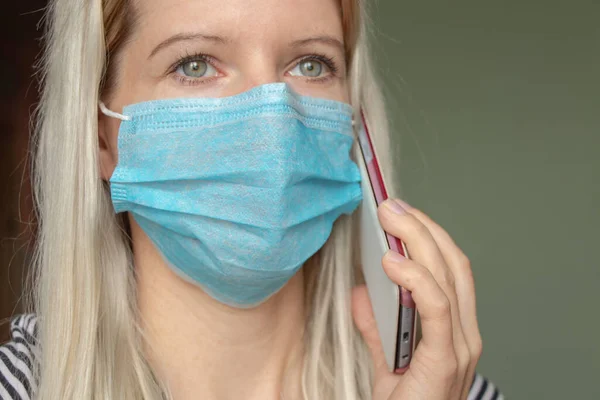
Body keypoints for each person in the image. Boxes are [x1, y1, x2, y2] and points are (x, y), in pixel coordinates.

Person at [0, 0, 504, 399]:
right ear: (101, 137)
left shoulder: (445, 392)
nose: (274, 120)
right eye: (194, 64)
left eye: (311, 64)